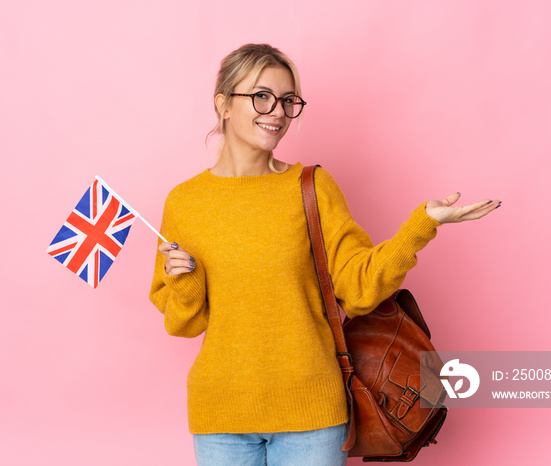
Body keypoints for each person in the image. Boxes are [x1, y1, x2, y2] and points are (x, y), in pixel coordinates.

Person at [149, 43, 500, 466]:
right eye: (261, 96)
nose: (277, 111)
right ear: (223, 104)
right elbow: (184, 323)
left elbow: (359, 288)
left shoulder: (313, 187)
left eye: (287, 100)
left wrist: (421, 226)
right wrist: (185, 284)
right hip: (220, 415)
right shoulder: (185, 203)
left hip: (312, 415)